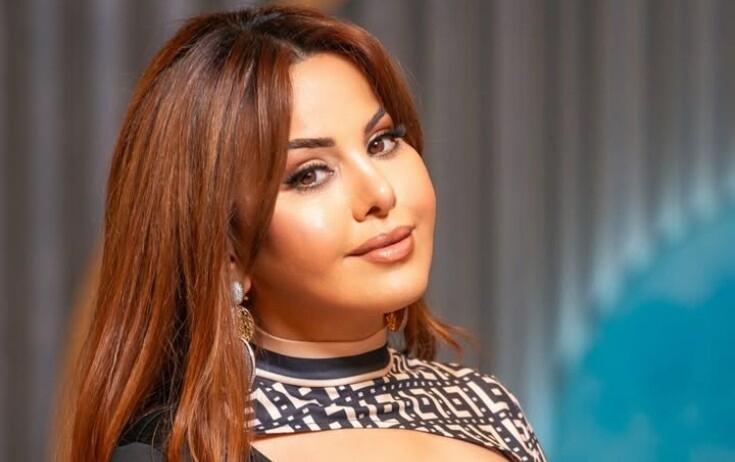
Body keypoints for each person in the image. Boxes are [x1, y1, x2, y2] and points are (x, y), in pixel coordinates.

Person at [55, 4, 547, 461]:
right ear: (228, 252)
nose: (380, 192)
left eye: (381, 143)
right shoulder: (185, 450)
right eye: (310, 174)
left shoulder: (488, 409)